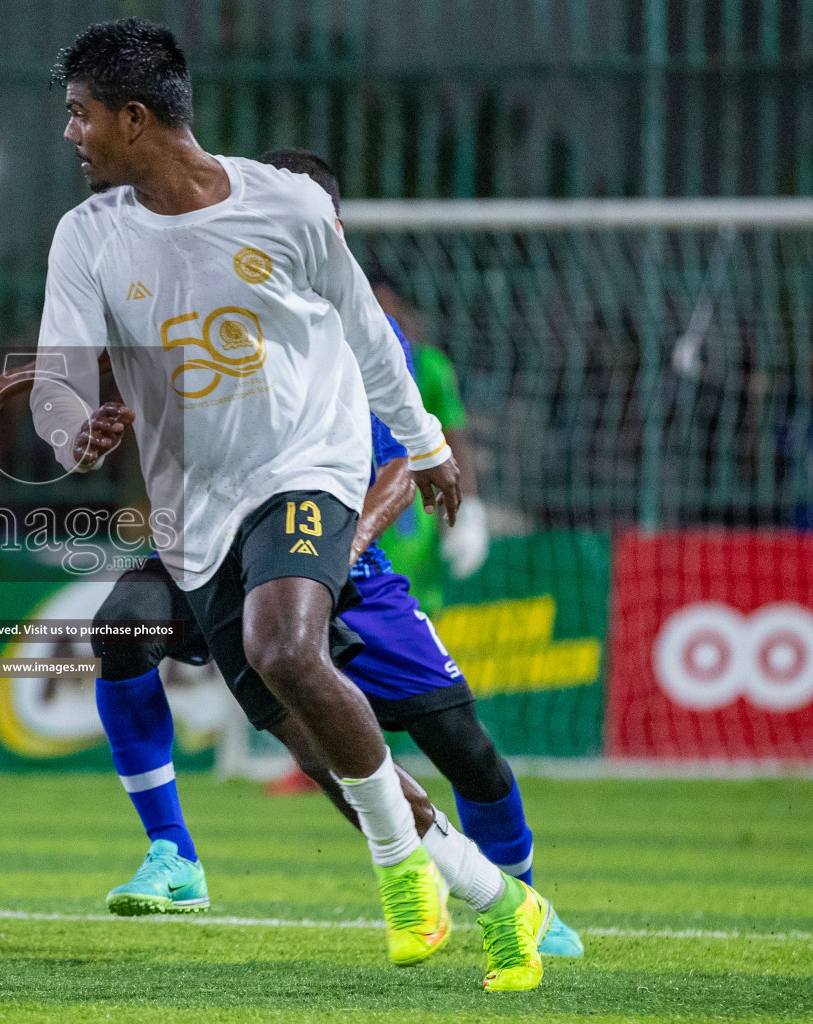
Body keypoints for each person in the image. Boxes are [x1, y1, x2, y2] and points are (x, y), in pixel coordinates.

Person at [0, 148, 582, 967]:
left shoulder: (362, 333)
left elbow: (398, 464)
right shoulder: (219, 281)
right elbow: (142, 356)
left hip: (333, 547)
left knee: (461, 746)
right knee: (131, 630)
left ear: (327, 225)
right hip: (211, 535)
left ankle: (518, 896)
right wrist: (20, 382)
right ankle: (175, 853)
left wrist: (338, 545)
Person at [30, 20, 545, 990]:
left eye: (80, 114)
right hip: (200, 517)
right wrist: (72, 428)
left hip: (309, 470)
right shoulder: (88, 237)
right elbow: (57, 380)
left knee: (284, 646)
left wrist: (428, 446)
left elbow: (370, 335)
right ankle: (503, 901)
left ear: (134, 120)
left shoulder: (287, 205)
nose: (70, 134)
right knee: (319, 749)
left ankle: (399, 874)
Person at [371, 272, 490, 604]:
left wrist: (469, 510)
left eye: (389, 312)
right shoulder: (344, 366)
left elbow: (454, 440)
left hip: (414, 537)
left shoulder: (429, 368)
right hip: (360, 518)